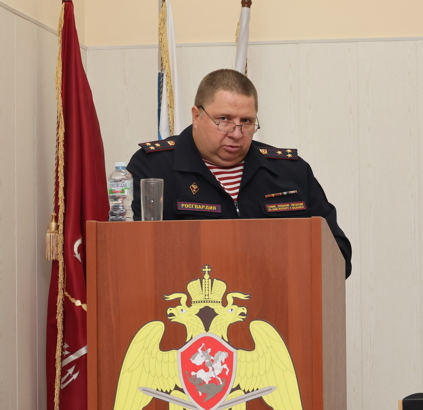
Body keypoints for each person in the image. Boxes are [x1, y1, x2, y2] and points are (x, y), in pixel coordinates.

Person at [127, 69, 352, 277]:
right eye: (224, 120)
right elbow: (132, 253)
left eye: (246, 121)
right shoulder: (153, 168)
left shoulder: (290, 171)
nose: (237, 133)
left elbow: (338, 255)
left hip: (280, 298)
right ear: (196, 116)